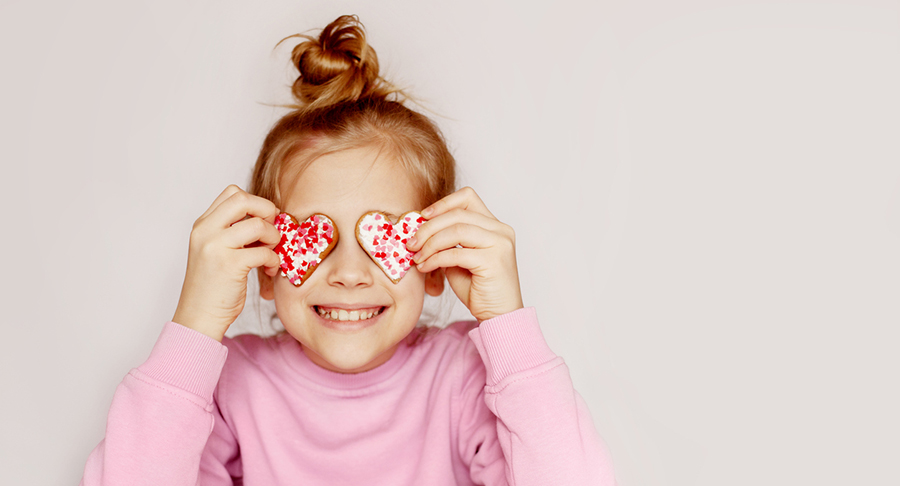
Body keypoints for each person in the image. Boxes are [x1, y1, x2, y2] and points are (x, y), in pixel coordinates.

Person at [80, 14, 616, 485]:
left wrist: (509, 327)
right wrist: (193, 328)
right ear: (264, 265)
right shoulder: (229, 388)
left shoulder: (463, 379)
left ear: (435, 263)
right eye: (315, 238)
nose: (349, 274)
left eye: (381, 237)